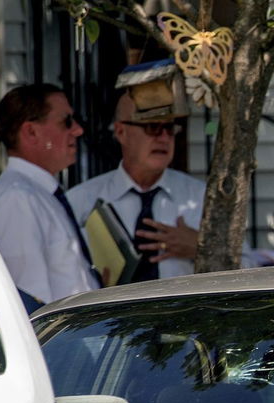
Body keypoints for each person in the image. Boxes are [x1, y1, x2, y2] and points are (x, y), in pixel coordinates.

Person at [0, 83, 99, 311]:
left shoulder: (36, 194)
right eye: (66, 121)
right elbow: (26, 305)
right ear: (31, 132)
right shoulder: (15, 199)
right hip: (57, 345)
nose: (78, 130)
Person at [68, 94, 204, 281]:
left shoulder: (201, 197)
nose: (164, 138)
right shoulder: (81, 201)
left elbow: (245, 268)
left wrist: (203, 248)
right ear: (121, 132)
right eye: (152, 127)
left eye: (169, 128)